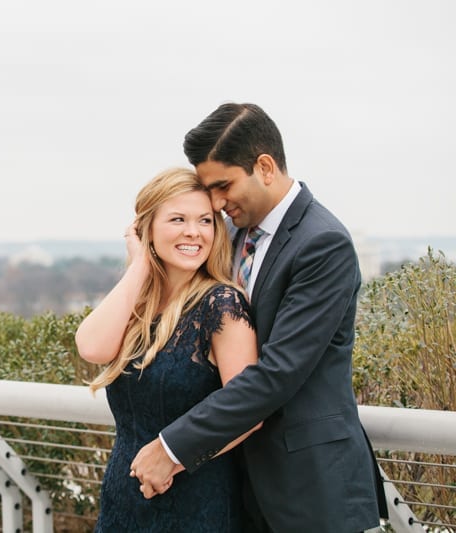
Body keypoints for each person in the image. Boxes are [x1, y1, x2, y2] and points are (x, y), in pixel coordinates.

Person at [130, 103, 387, 532]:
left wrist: (172, 447)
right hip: (234, 488)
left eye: (223, 185)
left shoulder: (323, 244)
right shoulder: (227, 234)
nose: (214, 202)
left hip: (312, 490)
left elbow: (277, 373)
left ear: (265, 166)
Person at [75, 167, 262, 532]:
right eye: (178, 219)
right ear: (147, 229)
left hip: (194, 504)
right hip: (122, 504)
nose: (193, 232)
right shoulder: (140, 303)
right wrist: (140, 265)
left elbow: (249, 411)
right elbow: (92, 347)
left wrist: (173, 458)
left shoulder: (221, 304)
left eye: (205, 221)